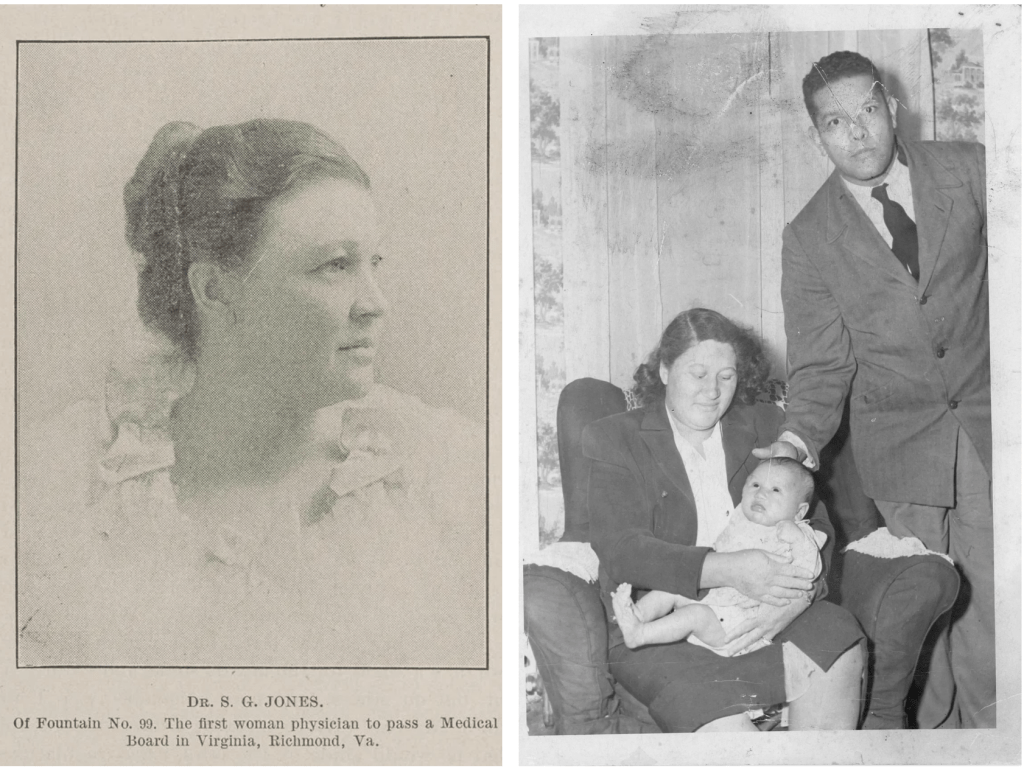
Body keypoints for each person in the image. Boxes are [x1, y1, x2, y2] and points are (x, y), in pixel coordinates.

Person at [18, 119, 485, 667]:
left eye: (373, 264)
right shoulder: (54, 484)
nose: (376, 304)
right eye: (335, 266)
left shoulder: (453, 472)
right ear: (214, 289)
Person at [756, 51, 993, 729]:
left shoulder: (971, 167)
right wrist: (797, 438)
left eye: (866, 111)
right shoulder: (808, 236)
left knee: (1001, 611)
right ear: (818, 136)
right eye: (835, 122)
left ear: (891, 105)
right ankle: (937, 743)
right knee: (924, 618)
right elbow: (822, 365)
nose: (856, 133)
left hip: (988, 423)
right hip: (899, 449)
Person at [584, 307, 865, 733]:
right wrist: (729, 570)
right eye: (697, 373)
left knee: (837, 632)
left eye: (726, 376)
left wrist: (793, 601)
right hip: (663, 626)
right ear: (663, 370)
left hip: (765, 613)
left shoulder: (766, 427)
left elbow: (818, 526)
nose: (712, 391)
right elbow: (622, 550)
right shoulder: (613, 438)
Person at [611, 458, 827, 656]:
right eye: (755, 485)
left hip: (739, 622)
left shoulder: (800, 534)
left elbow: (810, 572)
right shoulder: (741, 517)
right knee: (671, 589)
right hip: (713, 598)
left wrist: (798, 538)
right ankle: (636, 616)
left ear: (799, 512)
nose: (761, 494)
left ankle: (640, 635)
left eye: (776, 490)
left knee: (695, 615)